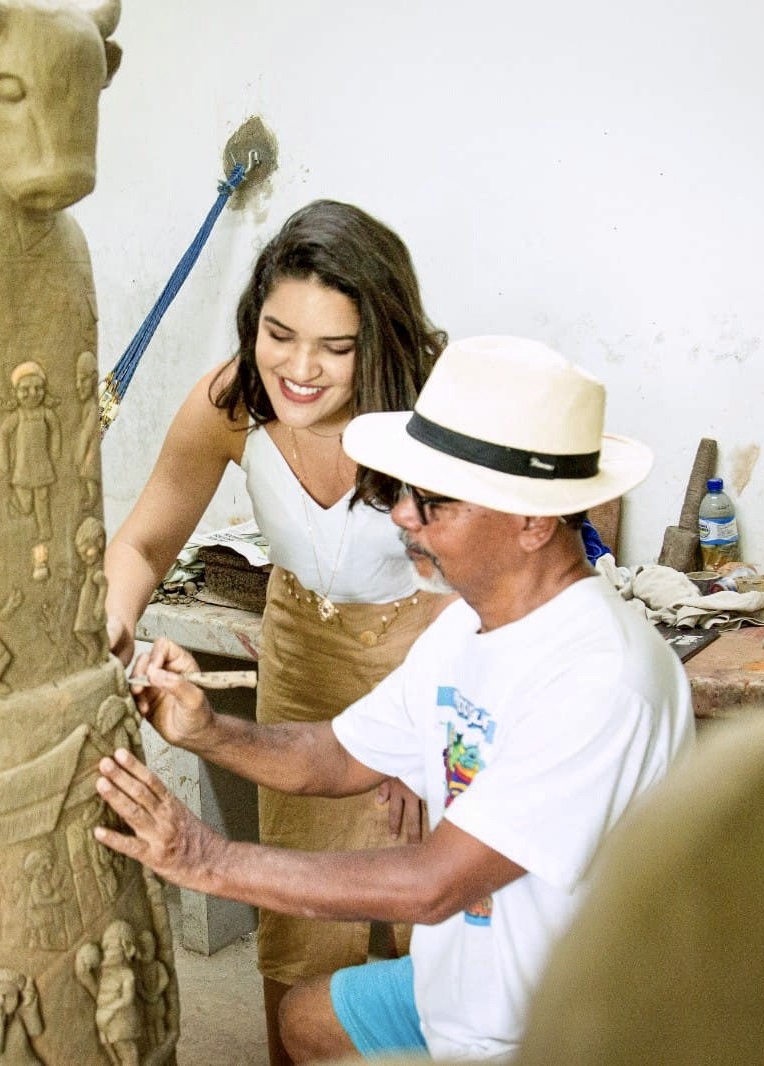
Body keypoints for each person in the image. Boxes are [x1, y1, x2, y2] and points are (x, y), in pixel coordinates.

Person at [95, 336, 696, 1062]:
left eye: (433, 502)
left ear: (533, 523)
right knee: (309, 1020)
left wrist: (205, 859)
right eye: (400, 490)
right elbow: (335, 756)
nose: (402, 517)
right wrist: (206, 730)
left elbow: (431, 885)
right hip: (468, 988)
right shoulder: (469, 628)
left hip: (563, 1026)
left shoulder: (600, 681)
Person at [102, 199, 452, 1062]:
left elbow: (483, 597)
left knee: (440, 910)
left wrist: (427, 735)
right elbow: (145, 542)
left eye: (336, 349)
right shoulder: (230, 402)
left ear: (383, 341)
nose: (299, 369)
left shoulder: (435, 410)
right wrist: (113, 618)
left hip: (436, 652)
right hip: (302, 649)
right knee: (298, 909)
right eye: (278, 333)